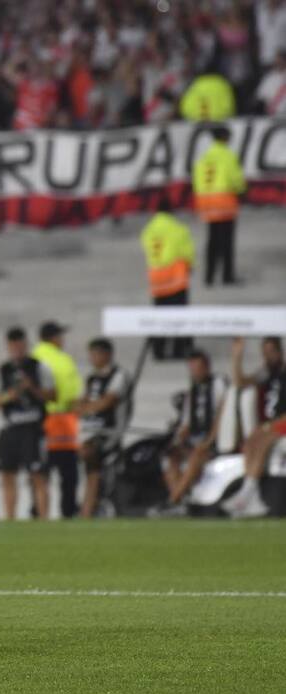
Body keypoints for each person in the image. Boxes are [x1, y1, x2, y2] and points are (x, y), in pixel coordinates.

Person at [0, 327, 55, 520]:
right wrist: (9, 396)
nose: (17, 349)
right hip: (12, 427)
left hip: (33, 427)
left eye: (20, 345)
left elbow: (52, 395)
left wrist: (32, 388)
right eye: (13, 345)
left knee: (37, 475)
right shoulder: (4, 369)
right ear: (8, 346)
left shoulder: (38, 367)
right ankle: (10, 518)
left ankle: (43, 518)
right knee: (7, 473)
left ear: (25, 345)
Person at [155, 350, 229, 514]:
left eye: (198, 368)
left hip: (215, 441)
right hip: (196, 441)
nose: (195, 372)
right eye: (192, 369)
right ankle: (181, 501)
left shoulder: (219, 383)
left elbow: (223, 413)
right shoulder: (193, 390)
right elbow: (186, 423)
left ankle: (173, 500)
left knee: (197, 454)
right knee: (170, 456)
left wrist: (210, 439)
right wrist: (178, 440)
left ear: (207, 367)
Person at [222, 336, 286, 517]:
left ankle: (247, 494)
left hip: (283, 422)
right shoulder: (267, 372)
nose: (268, 356)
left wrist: (270, 425)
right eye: (265, 353)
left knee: (262, 439)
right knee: (250, 441)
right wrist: (236, 357)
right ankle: (253, 495)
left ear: (280, 352)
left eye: (271, 352)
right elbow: (240, 381)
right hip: (273, 423)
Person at [32, 321, 83, 519]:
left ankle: (38, 512)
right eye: (60, 336)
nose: (62, 340)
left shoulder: (34, 357)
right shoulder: (59, 359)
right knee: (67, 473)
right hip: (59, 419)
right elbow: (69, 391)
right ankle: (68, 512)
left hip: (47, 421)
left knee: (41, 474)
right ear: (52, 338)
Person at [76, 338, 130, 518]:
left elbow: (109, 401)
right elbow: (85, 401)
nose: (92, 358)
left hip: (109, 432)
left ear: (107, 355)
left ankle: (88, 509)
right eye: (91, 354)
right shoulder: (92, 377)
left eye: (95, 354)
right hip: (88, 431)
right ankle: (86, 506)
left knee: (91, 459)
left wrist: (87, 407)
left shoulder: (119, 375)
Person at [139, 198, 195, 360]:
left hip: (157, 278)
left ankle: (159, 350)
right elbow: (186, 251)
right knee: (179, 314)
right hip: (176, 278)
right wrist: (189, 265)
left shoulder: (149, 229)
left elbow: (145, 246)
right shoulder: (177, 228)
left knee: (159, 315)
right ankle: (179, 349)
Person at [192, 125, 246, 287]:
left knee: (212, 239)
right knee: (227, 240)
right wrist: (242, 190)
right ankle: (227, 276)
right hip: (224, 201)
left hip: (206, 202)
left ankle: (209, 276)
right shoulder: (228, 155)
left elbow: (196, 180)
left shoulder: (204, 157)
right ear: (223, 137)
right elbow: (235, 179)